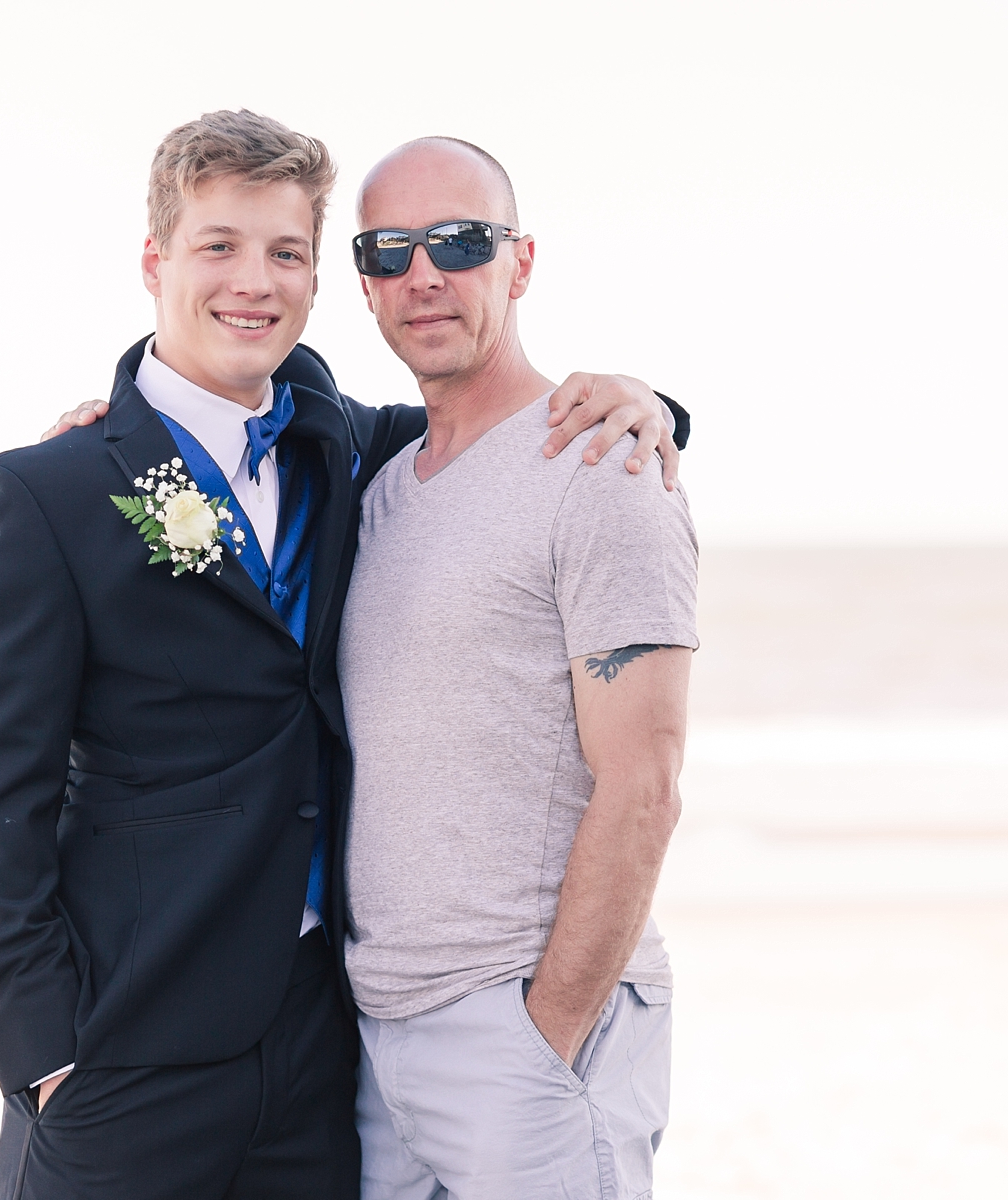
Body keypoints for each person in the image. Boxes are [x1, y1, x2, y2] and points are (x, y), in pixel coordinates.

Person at [0, 109, 685, 1200]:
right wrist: (41, 1056)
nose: (255, 281)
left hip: (322, 1046)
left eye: (287, 253)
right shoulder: (48, 491)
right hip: (125, 1045)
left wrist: (652, 405)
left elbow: (500, 444)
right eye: (220, 247)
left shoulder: (340, 444)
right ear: (156, 262)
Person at [340, 138, 696, 1200]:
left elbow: (647, 784)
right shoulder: (379, 486)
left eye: (459, 241)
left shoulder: (604, 468)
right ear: (363, 281)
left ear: (521, 261)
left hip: (525, 1033)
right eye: (390, 250)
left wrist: (548, 1029)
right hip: (375, 1042)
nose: (425, 275)